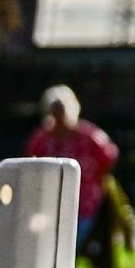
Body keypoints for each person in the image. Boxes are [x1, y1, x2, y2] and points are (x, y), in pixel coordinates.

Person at [25, 85, 118, 257]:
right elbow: (30, 163)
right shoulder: (42, 137)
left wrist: (99, 180)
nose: (59, 117)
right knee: (48, 245)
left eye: (62, 111)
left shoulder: (88, 135)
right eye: (55, 111)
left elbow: (109, 155)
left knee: (70, 245)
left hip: (84, 200)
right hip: (48, 200)